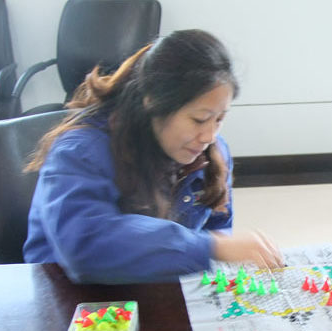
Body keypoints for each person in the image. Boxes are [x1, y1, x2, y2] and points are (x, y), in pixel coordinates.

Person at [24, 29, 283, 284]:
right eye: (199, 119)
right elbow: (86, 245)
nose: (209, 136)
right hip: (71, 295)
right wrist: (208, 247)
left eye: (219, 119)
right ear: (153, 102)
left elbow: (217, 226)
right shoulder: (82, 151)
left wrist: (221, 247)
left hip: (155, 286)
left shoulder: (210, 153)